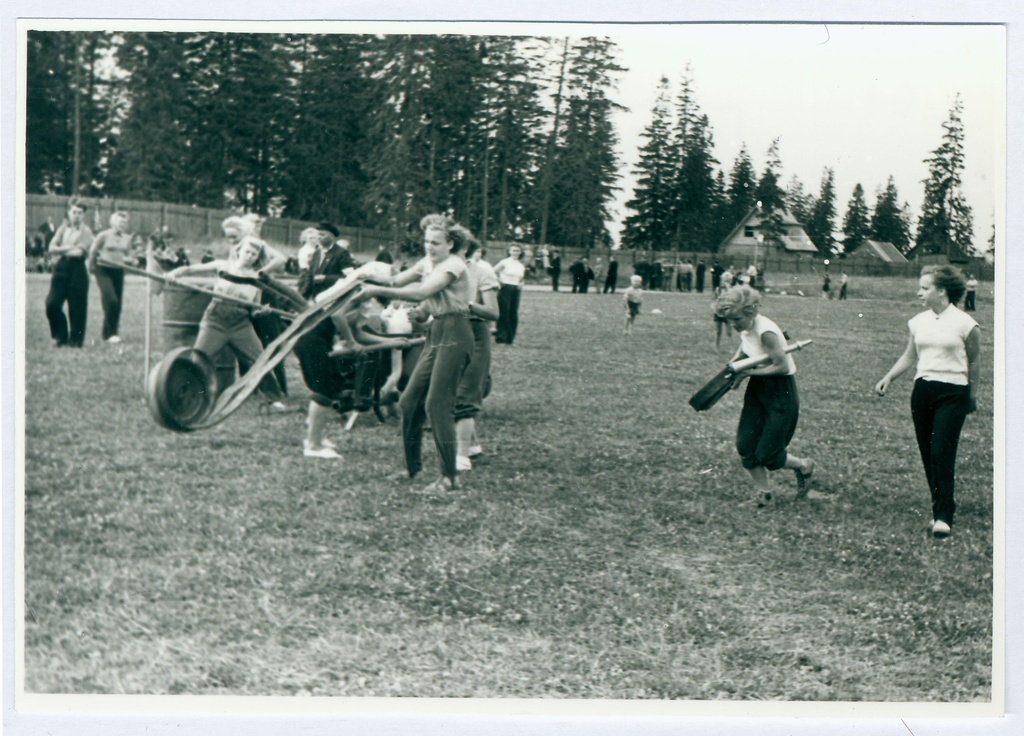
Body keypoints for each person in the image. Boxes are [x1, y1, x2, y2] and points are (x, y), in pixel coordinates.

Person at [353, 213, 474, 495]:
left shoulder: (454, 264)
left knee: (436, 405)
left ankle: (450, 479)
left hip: (456, 333)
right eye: (427, 241)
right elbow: (398, 281)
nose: (429, 247)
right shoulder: (428, 262)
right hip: (436, 333)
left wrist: (372, 290)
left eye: (436, 242)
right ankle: (412, 468)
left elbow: (422, 293)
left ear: (451, 244)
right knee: (409, 402)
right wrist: (365, 275)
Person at [874, 266, 980, 539]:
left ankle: (944, 516)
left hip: (953, 392)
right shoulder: (918, 321)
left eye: (924, 288)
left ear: (942, 291)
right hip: (923, 392)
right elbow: (910, 356)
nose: (918, 292)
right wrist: (889, 377)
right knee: (927, 452)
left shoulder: (965, 323)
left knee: (940, 452)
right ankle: (939, 508)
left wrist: (972, 394)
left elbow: (975, 361)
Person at [715, 285, 815, 507]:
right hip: (758, 389)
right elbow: (746, 348)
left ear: (750, 311)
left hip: (780, 391)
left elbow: (781, 366)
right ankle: (765, 496)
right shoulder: (746, 326)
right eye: (729, 320)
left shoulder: (766, 331)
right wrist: (735, 367)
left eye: (736, 319)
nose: (733, 324)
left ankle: (803, 465)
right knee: (746, 448)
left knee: (769, 455)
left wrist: (748, 373)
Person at [165, 236, 287, 410]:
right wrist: (175, 273)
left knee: (260, 358)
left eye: (254, 254)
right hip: (215, 320)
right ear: (239, 251)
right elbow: (191, 269)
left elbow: (253, 309)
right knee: (199, 358)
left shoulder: (255, 279)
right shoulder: (223, 266)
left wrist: (261, 311)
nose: (250, 256)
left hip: (240, 323)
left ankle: (274, 399)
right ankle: (184, 395)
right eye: (247, 252)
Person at [222, 215, 291, 398]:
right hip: (244, 297)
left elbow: (281, 259)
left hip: (264, 296)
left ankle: (279, 388)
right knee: (245, 340)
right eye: (228, 236)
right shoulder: (235, 248)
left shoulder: (254, 244)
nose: (230, 240)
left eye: (233, 236)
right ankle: (249, 388)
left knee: (270, 341)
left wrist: (260, 273)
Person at [455, 238, 500, 471]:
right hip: (447, 331)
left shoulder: (482, 270)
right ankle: (471, 445)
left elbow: (493, 312)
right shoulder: (438, 267)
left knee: (466, 391)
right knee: (449, 390)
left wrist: (467, 304)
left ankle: (462, 455)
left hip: (474, 331)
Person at [46, 197, 94, 348]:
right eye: (74, 211)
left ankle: (76, 340)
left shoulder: (86, 232)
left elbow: (79, 252)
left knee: (77, 306)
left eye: (80, 212)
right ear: (69, 212)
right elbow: (51, 247)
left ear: (83, 215)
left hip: (77, 269)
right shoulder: (62, 229)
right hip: (61, 267)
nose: (77, 215)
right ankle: (61, 335)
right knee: (52, 303)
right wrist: (69, 247)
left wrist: (62, 249)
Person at [87, 211, 134, 344]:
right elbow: (93, 251)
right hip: (103, 270)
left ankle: (112, 333)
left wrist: (130, 260)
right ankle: (107, 332)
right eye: (120, 222)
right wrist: (90, 267)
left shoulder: (126, 238)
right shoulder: (104, 235)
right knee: (111, 299)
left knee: (117, 303)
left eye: (124, 223)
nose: (122, 225)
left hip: (118, 271)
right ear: (112, 223)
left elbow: (128, 255)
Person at [493, 244, 526, 345]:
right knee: (504, 312)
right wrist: (499, 281)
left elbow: (521, 278)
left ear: (520, 252)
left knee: (513, 313)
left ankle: (510, 338)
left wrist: (521, 283)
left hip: (516, 289)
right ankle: (501, 337)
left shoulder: (521, 265)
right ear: (509, 251)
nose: (515, 253)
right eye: (513, 251)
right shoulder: (505, 262)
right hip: (505, 288)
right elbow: (492, 272)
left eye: (517, 251)